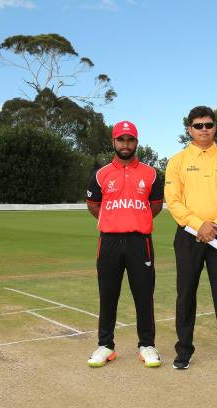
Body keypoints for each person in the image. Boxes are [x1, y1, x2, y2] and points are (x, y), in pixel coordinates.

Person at [164, 106, 217, 373]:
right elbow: (174, 201)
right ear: (189, 128)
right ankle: (184, 352)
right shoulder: (177, 161)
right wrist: (198, 225)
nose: (204, 129)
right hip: (189, 235)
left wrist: (215, 224)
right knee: (186, 295)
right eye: (198, 125)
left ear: (215, 127)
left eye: (209, 125)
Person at [86, 120, 164, 368]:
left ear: (136, 142)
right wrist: (114, 220)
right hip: (109, 241)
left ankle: (147, 345)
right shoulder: (100, 174)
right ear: (113, 142)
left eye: (130, 140)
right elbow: (93, 205)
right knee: (108, 294)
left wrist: (136, 219)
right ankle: (105, 345)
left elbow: (156, 205)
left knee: (144, 295)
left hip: (140, 241)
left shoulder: (151, 173)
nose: (126, 144)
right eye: (121, 139)